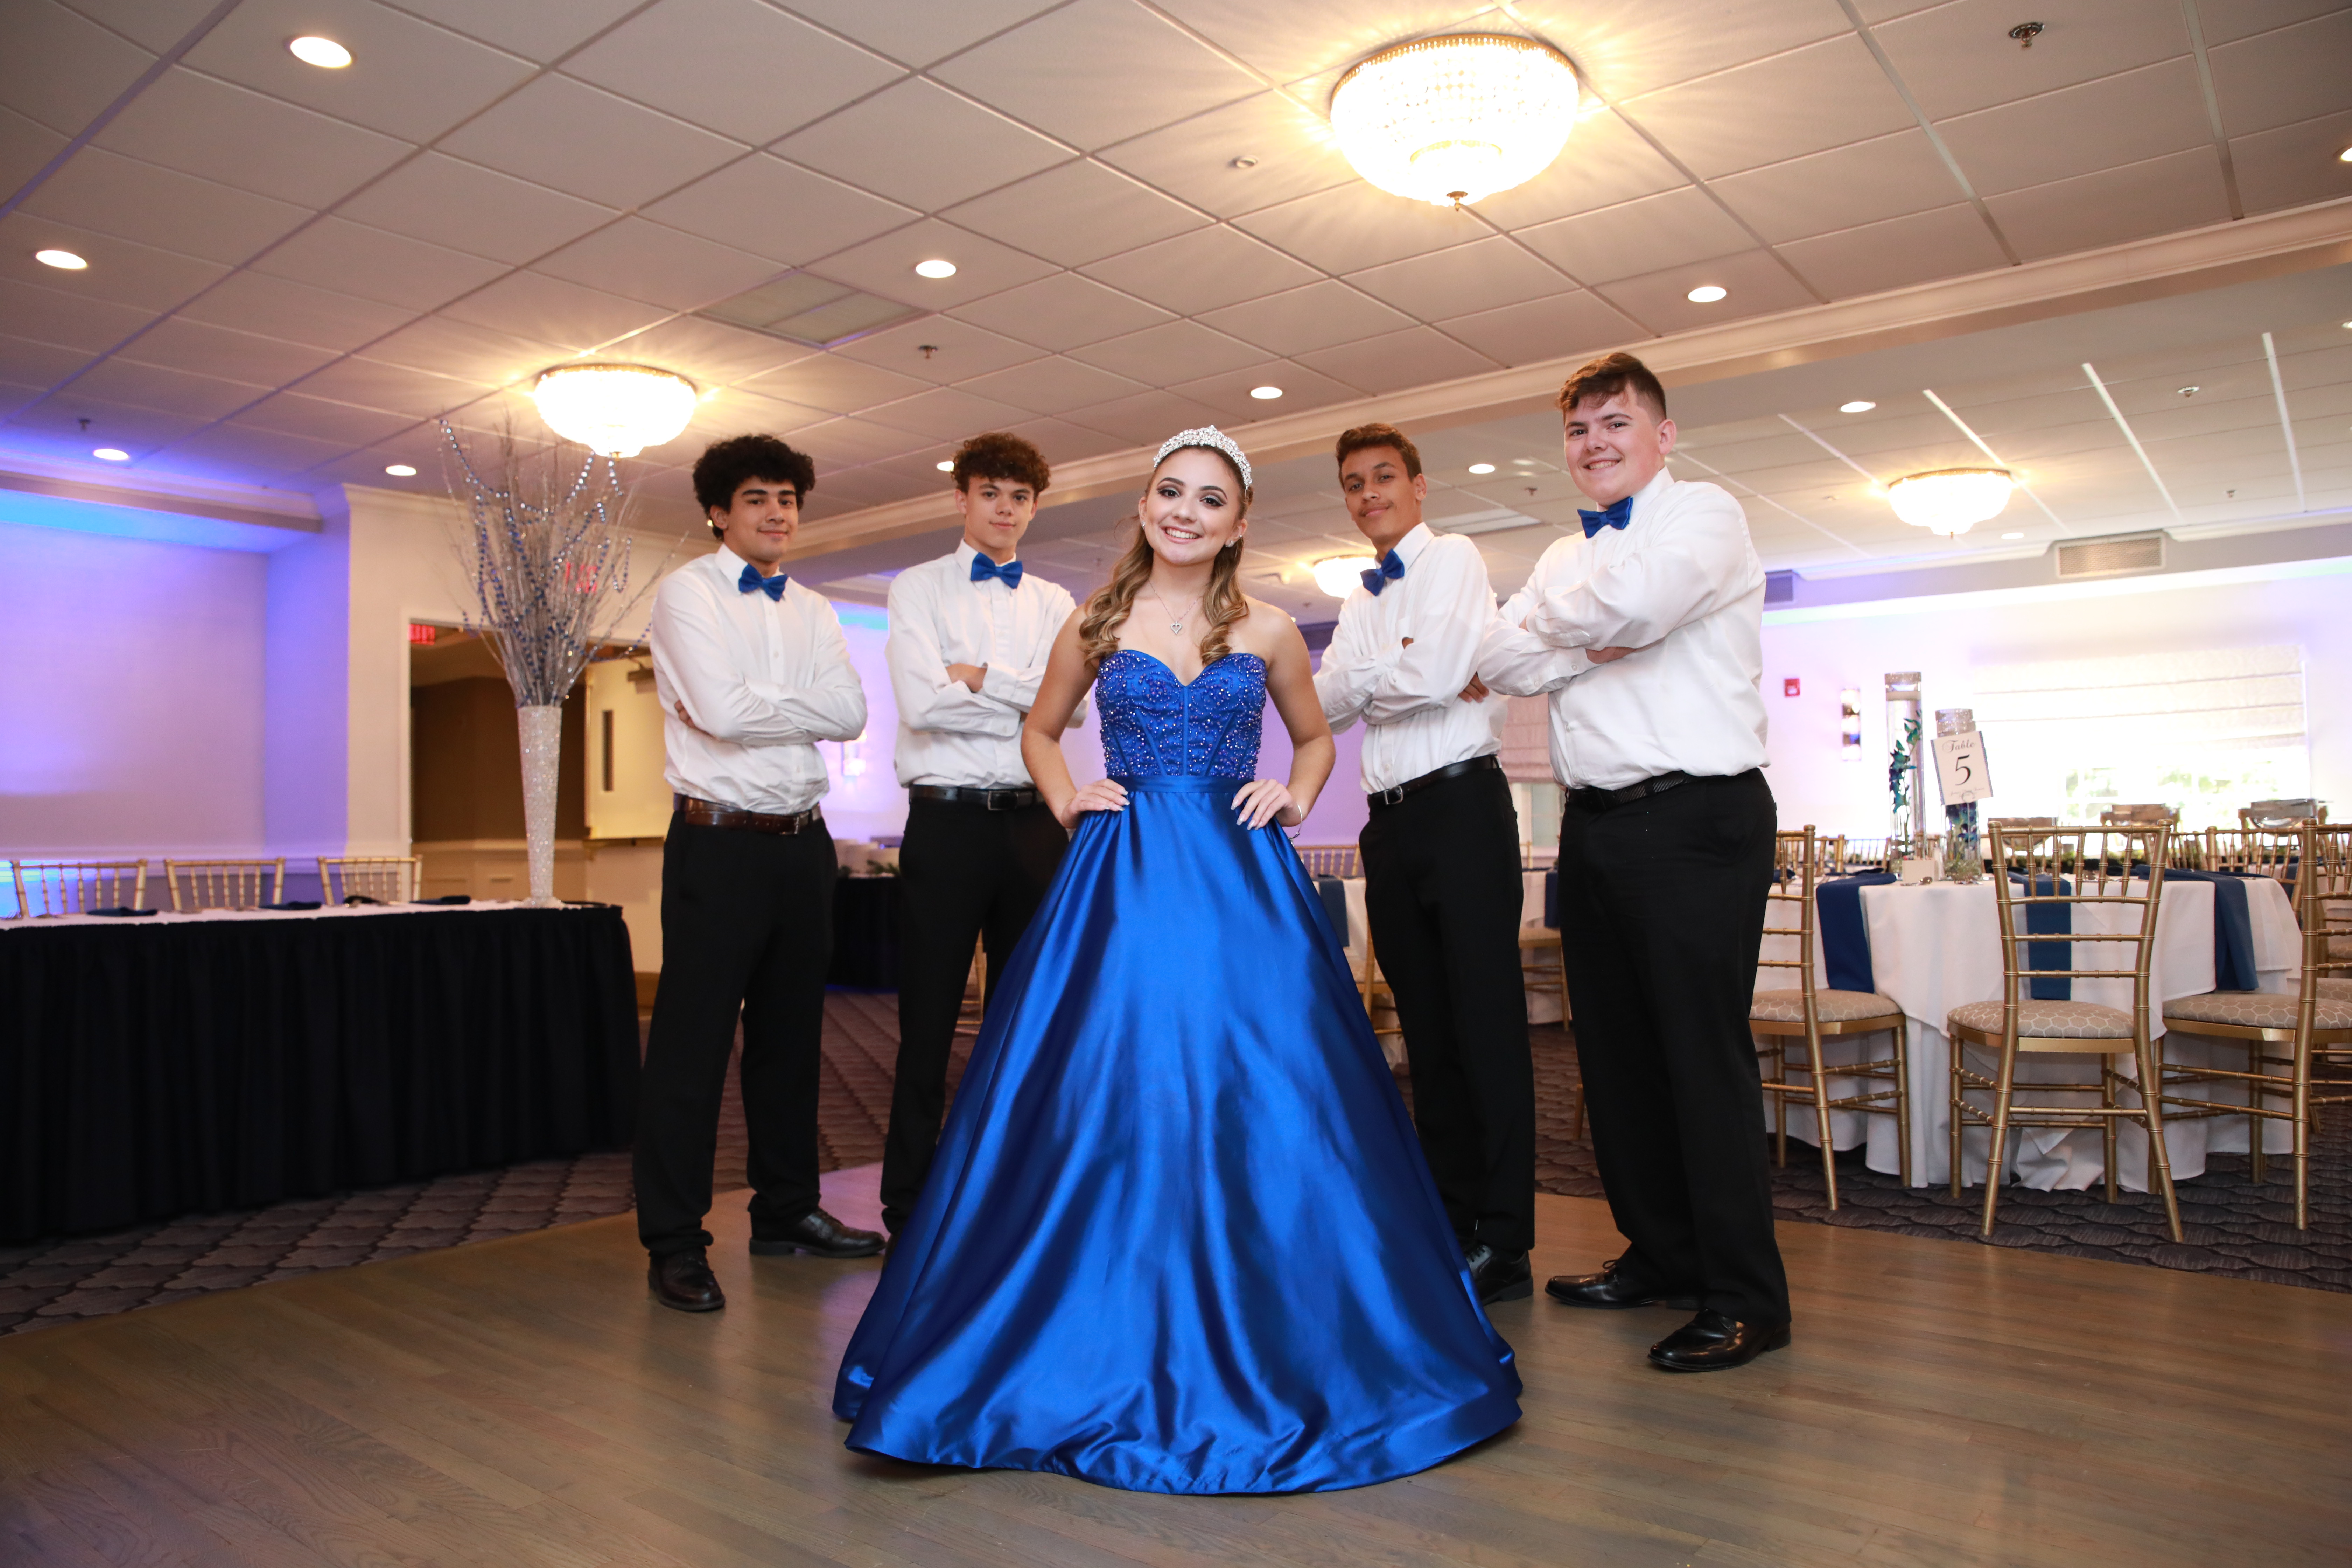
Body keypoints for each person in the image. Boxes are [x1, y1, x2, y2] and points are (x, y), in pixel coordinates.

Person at [834, 427, 1520, 1493]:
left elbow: (1316, 739)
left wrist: (1294, 795)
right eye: (1169, 492)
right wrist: (1070, 799)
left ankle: (1297, 1321)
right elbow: (1041, 731)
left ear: (1239, 522)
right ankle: (1082, 1321)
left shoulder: (1271, 627)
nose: (1185, 512)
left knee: (1268, 1080)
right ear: (1145, 504)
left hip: (1240, 876)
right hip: (1125, 870)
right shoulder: (1096, 621)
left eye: (1209, 499)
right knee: (1114, 1079)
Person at [1479, 352, 1788, 1372]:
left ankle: (1746, 1296)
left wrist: (1577, 629)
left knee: (1700, 1058)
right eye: (1578, 429)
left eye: (1615, 422)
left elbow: (1643, 607)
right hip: (1597, 823)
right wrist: (1592, 636)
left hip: (1697, 814)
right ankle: (1660, 1254)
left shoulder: (1706, 515)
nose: (1595, 443)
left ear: (1663, 434)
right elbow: (1500, 658)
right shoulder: (1564, 555)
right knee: (1614, 1059)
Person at [636, 434, 884, 1314]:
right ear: (718, 511)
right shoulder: (687, 593)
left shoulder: (813, 607)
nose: (777, 513)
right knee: (692, 1047)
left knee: (792, 1039)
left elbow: (850, 713)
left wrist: (759, 705)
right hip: (719, 842)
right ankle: (675, 1239)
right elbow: (719, 709)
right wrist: (778, 708)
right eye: (757, 498)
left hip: (802, 842)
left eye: (787, 498)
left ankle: (786, 1210)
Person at [1314, 422, 1534, 1306]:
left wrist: (1392, 675)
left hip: (1462, 808)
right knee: (1427, 1034)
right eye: (1354, 483)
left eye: (1383, 477)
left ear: (1418, 485)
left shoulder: (1454, 559)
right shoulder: (1359, 599)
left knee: (1486, 1026)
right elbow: (1324, 705)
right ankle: (1453, 1220)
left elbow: (1436, 673)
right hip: (1389, 824)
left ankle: (1507, 1240)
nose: (1369, 494)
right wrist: (1397, 668)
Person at [879, 432, 1078, 1238]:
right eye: (991, 492)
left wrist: (978, 676)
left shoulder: (1057, 602)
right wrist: (1025, 695)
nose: (1005, 508)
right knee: (927, 1019)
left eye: (1020, 497)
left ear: (1034, 508)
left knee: (1028, 1018)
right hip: (948, 820)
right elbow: (923, 704)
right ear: (961, 497)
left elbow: (1072, 710)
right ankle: (909, 1202)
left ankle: (1013, 1193)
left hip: (1034, 822)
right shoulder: (917, 588)